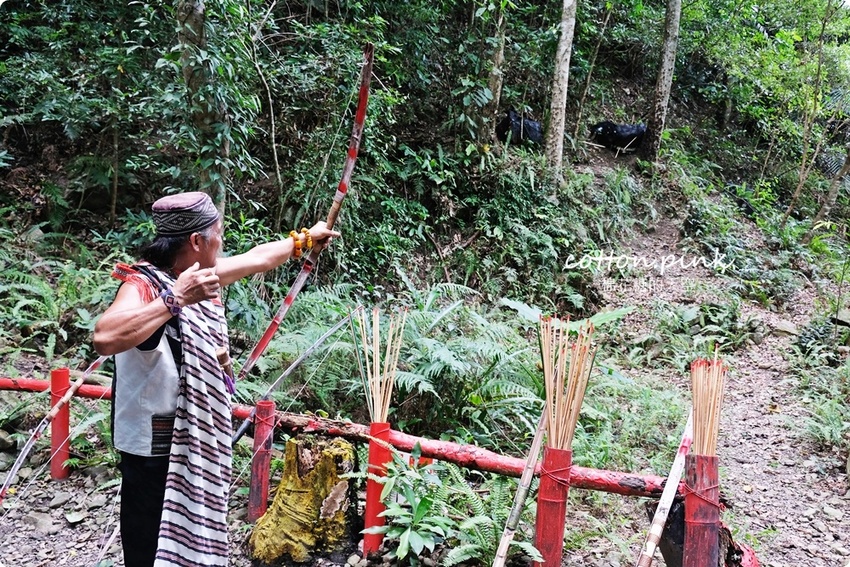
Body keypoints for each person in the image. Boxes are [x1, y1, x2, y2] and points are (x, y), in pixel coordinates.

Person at [93, 191, 339, 567]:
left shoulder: (198, 276)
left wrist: (305, 240)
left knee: (190, 540)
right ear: (196, 241)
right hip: (151, 451)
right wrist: (174, 300)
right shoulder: (143, 285)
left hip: (195, 439)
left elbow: (256, 259)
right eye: (218, 233)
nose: (222, 242)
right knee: (148, 549)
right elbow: (105, 337)